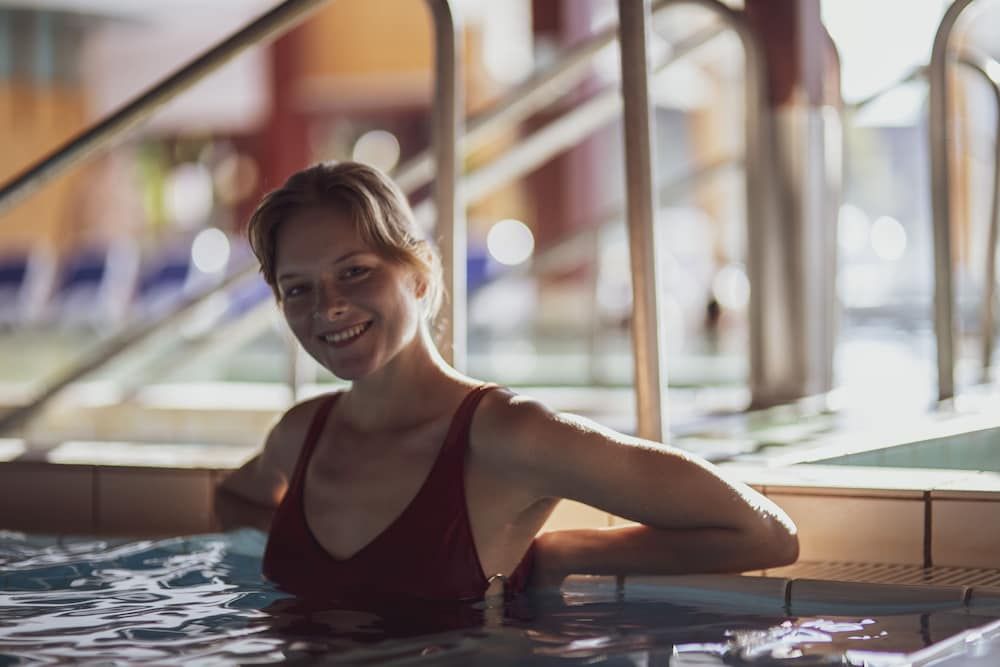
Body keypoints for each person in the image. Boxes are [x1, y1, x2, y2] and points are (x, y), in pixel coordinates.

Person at [215, 161, 798, 604]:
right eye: (298, 288)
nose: (329, 306)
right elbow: (233, 498)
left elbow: (764, 532)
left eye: (355, 271)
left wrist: (565, 553)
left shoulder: (507, 436)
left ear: (418, 276)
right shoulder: (300, 435)